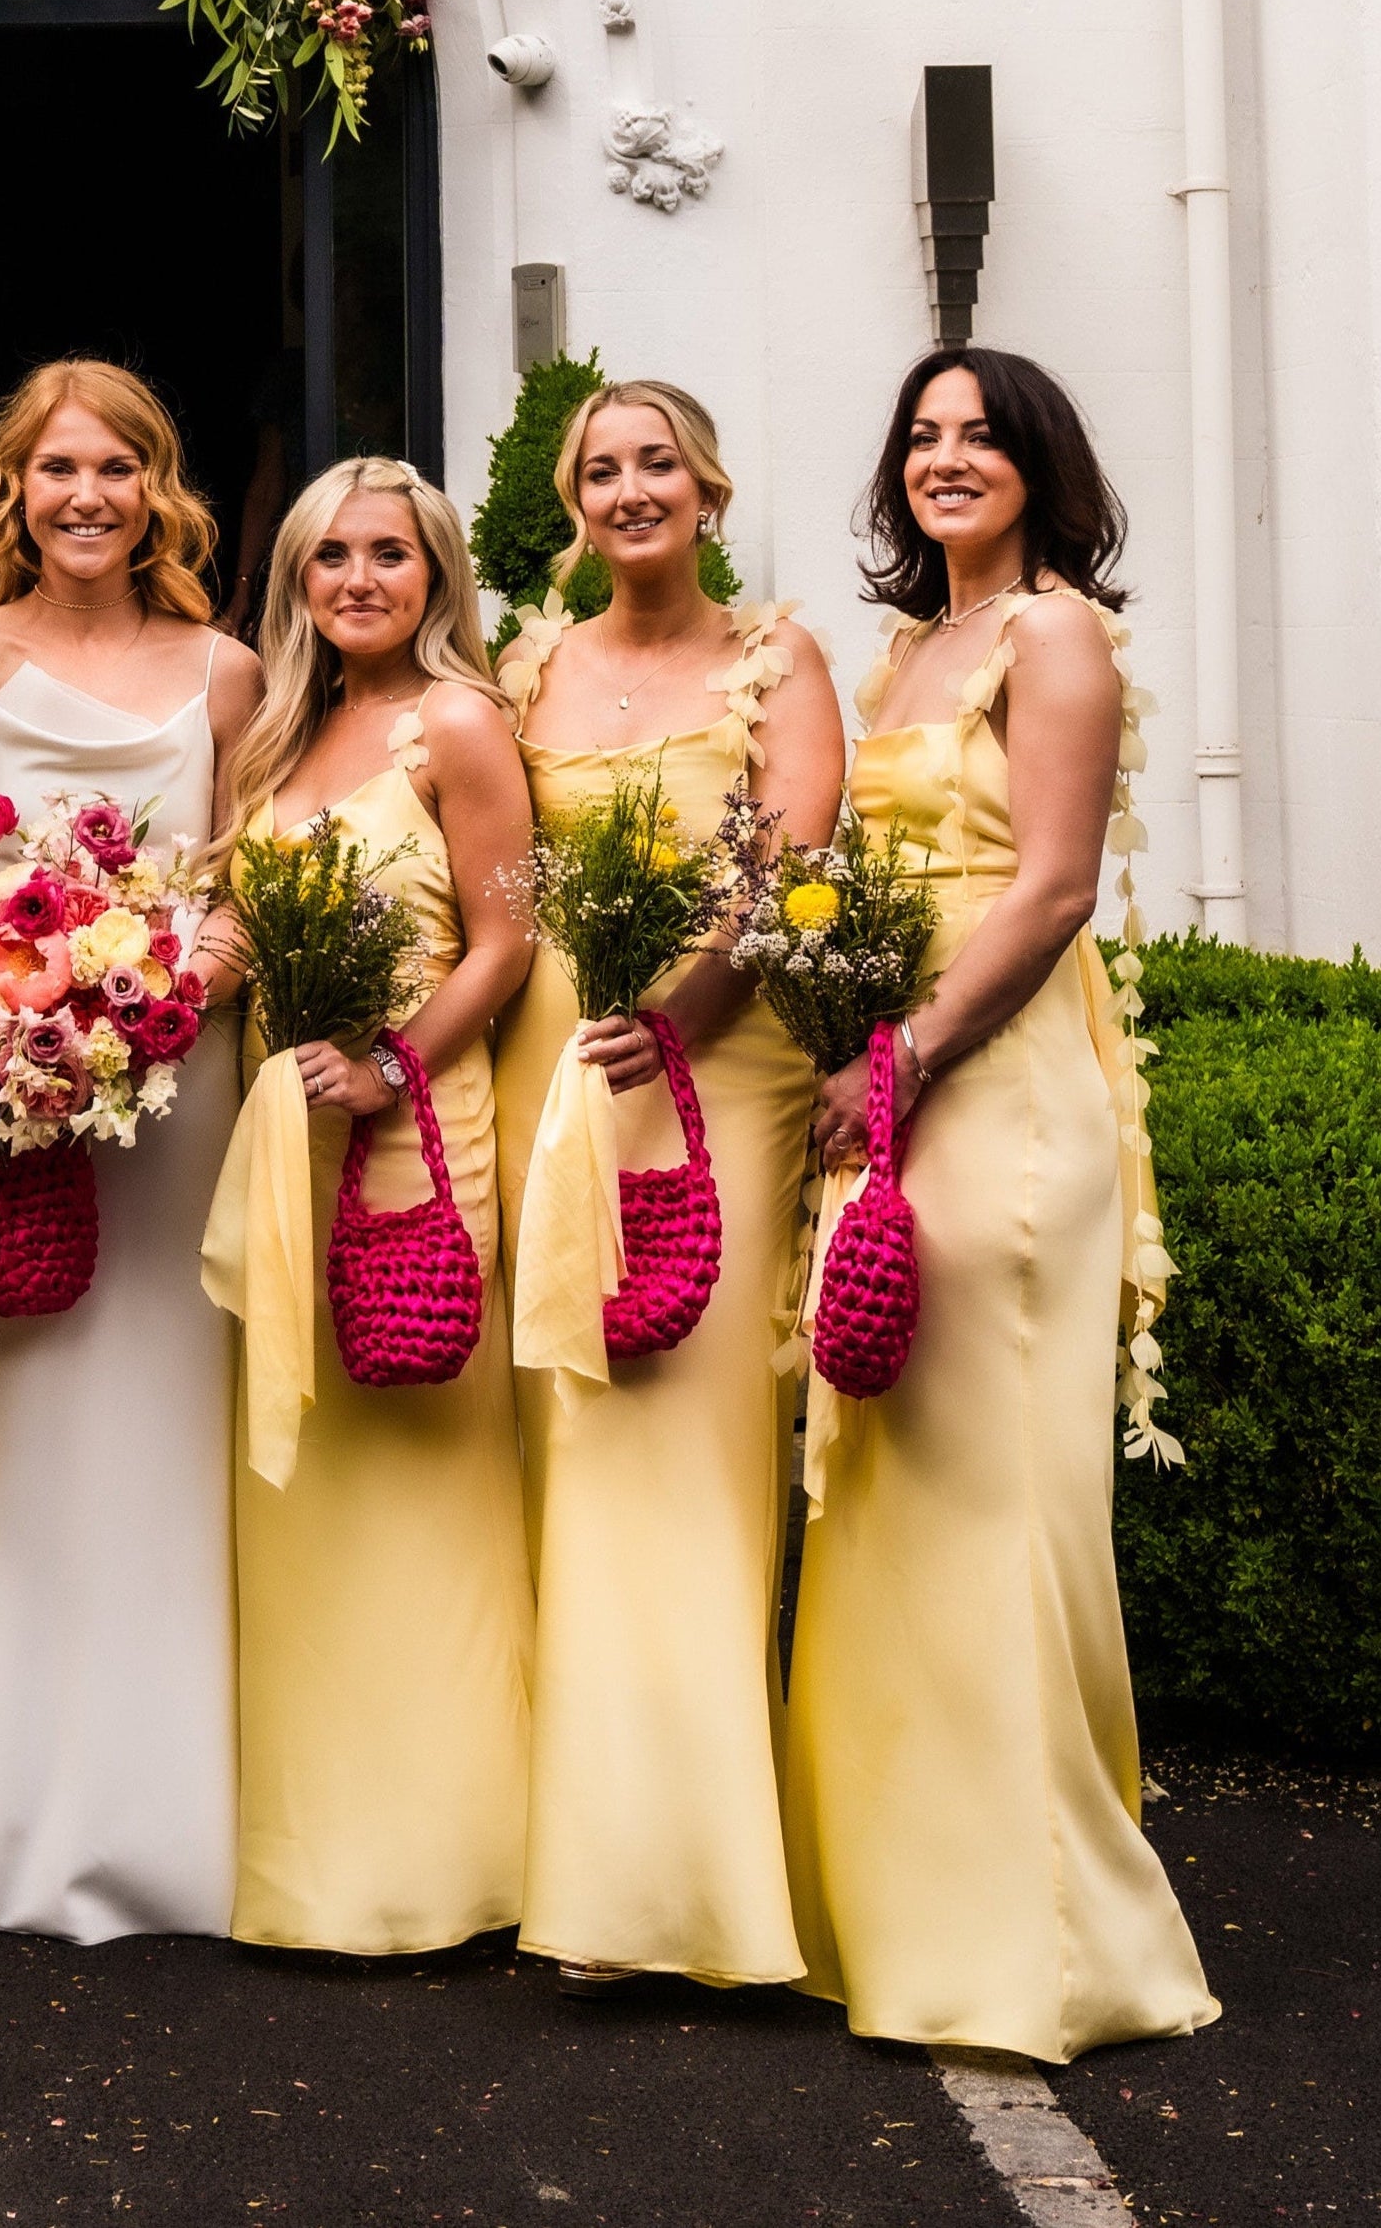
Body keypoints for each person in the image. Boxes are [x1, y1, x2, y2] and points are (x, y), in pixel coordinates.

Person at [784, 351, 1216, 2061]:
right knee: (892, 1480)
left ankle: (1040, 1944)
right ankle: (895, 1912)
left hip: (1001, 1086)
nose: (946, 457)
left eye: (980, 434)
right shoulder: (907, 651)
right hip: (893, 1076)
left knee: (999, 1495)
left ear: (1041, 461)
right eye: (922, 434)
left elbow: (1049, 889)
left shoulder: (1056, 637)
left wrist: (902, 1055)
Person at [490, 381, 840, 1991]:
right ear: (574, 502)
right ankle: (586, 1867)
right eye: (600, 469)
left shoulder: (779, 659)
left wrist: (687, 1011)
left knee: (692, 1447)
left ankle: (700, 1884)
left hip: (714, 1073)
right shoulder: (527, 667)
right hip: (555, 1077)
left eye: (656, 464)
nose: (629, 488)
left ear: (708, 487)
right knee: (567, 1442)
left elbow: (792, 867)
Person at [0, 358, 262, 1941]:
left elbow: (245, 884)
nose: (87, 496)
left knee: (167, 1432)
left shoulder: (228, 672)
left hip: (176, 1098)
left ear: (155, 488)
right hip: (14, 1096)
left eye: (117, 467)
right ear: (15, 490)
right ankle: (21, 1827)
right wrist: (15, 1018)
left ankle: (175, 1828)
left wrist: (168, 995)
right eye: (57, 468)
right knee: (29, 1437)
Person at [200, 457, 535, 1952]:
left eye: (389, 553)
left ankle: (452, 1863)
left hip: (414, 1125)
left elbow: (507, 941)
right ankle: (316, 1857)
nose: (358, 580)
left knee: (424, 1483)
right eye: (330, 556)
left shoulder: (455, 724)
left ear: (436, 572)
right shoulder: (280, 735)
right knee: (308, 1492)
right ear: (297, 580)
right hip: (291, 1132)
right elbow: (235, 921)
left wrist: (397, 1066)